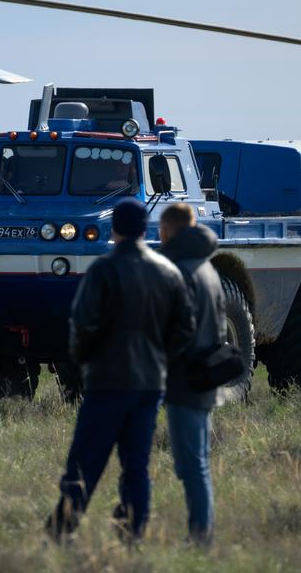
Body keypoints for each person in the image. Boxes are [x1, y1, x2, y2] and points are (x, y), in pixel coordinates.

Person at [47, 198, 196, 542]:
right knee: (136, 467)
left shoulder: (103, 270)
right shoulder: (168, 272)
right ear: (146, 228)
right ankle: (132, 533)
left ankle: (62, 531)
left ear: (114, 228)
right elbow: (184, 330)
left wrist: (84, 363)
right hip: (149, 386)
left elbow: (81, 325)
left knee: (85, 463)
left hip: (106, 382)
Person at [156, 202, 226, 545]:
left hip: (186, 379)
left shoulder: (180, 272)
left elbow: (173, 331)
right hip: (204, 377)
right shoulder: (207, 269)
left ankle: (200, 537)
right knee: (194, 462)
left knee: (192, 464)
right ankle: (201, 532)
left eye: (160, 229)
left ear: (168, 231)